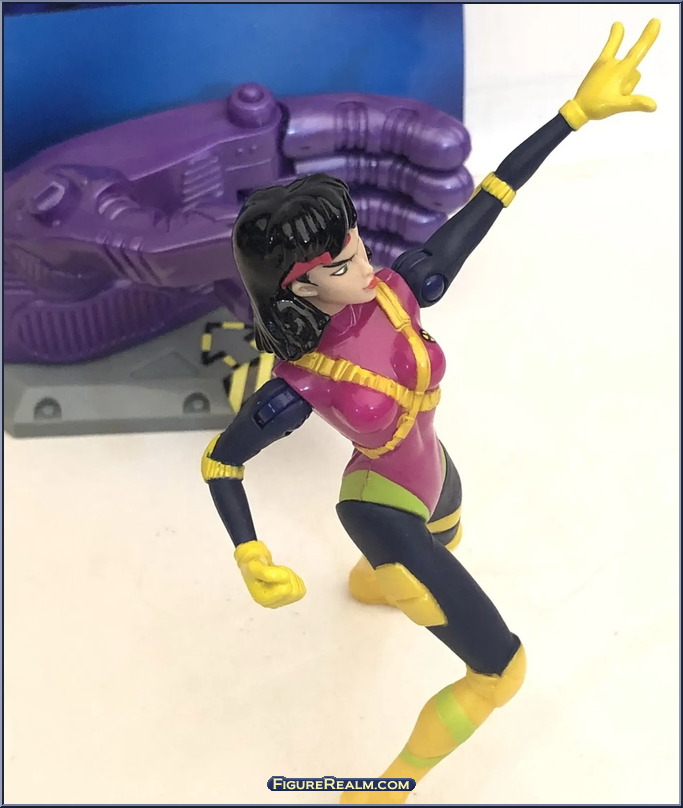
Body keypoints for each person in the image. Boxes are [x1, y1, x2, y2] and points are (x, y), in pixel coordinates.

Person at [201, 20, 659, 803]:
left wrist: (572, 116)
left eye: (355, 242)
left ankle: (376, 582)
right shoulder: (301, 379)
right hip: (380, 506)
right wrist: (248, 551)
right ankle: (382, 788)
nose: (363, 260)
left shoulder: (396, 289)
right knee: (500, 671)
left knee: (444, 541)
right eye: (341, 262)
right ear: (299, 286)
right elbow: (221, 460)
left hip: (434, 477)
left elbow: (492, 199)